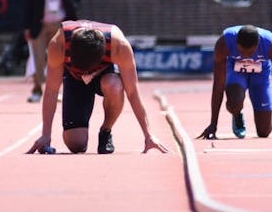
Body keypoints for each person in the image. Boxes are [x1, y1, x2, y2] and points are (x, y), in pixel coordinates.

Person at [25, 19, 168, 155]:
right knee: (76, 144)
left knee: (114, 85)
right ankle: (78, 127)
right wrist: (45, 135)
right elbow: (51, 90)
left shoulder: (119, 47)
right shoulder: (58, 45)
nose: (87, 74)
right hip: (75, 78)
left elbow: (132, 92)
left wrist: (149, 135)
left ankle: (106, 130)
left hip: (105, 75)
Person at [197, 25, 272, 140]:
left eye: (250, 52)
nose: (246, 56)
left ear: (258, 44)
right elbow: (218, 85)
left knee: (264, 132)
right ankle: (237, 113)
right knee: (234, 103)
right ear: (236, 43)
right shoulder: (223, 44)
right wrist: (213, 124)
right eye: (242, 52)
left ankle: (257, 110)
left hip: (260, 74)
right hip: (236, 71)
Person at [23, 0, 78, 103]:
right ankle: (37, 90)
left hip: (58, 26)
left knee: (59, 60)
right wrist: (26, 27)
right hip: (39, 25)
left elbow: (70, 4)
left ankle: (56, 91)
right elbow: (28, 5)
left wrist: (74, 24)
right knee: (38, 59)